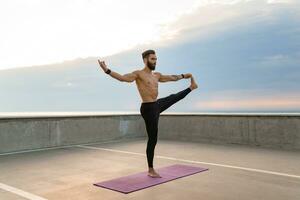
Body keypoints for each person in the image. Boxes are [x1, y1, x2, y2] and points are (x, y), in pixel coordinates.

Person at [97, 49, 198, 178]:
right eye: (152, 59)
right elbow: (123, 78)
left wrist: (184, 75)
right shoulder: (138, 74)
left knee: (173, 97)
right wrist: (107, 70)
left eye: (156, 59)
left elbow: (173, 78)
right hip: (148, 108)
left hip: (156, 105)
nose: (155, 61)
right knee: (153, 138)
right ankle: (151, 169)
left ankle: (191, 87)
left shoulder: (157, 75)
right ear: (145, 60)